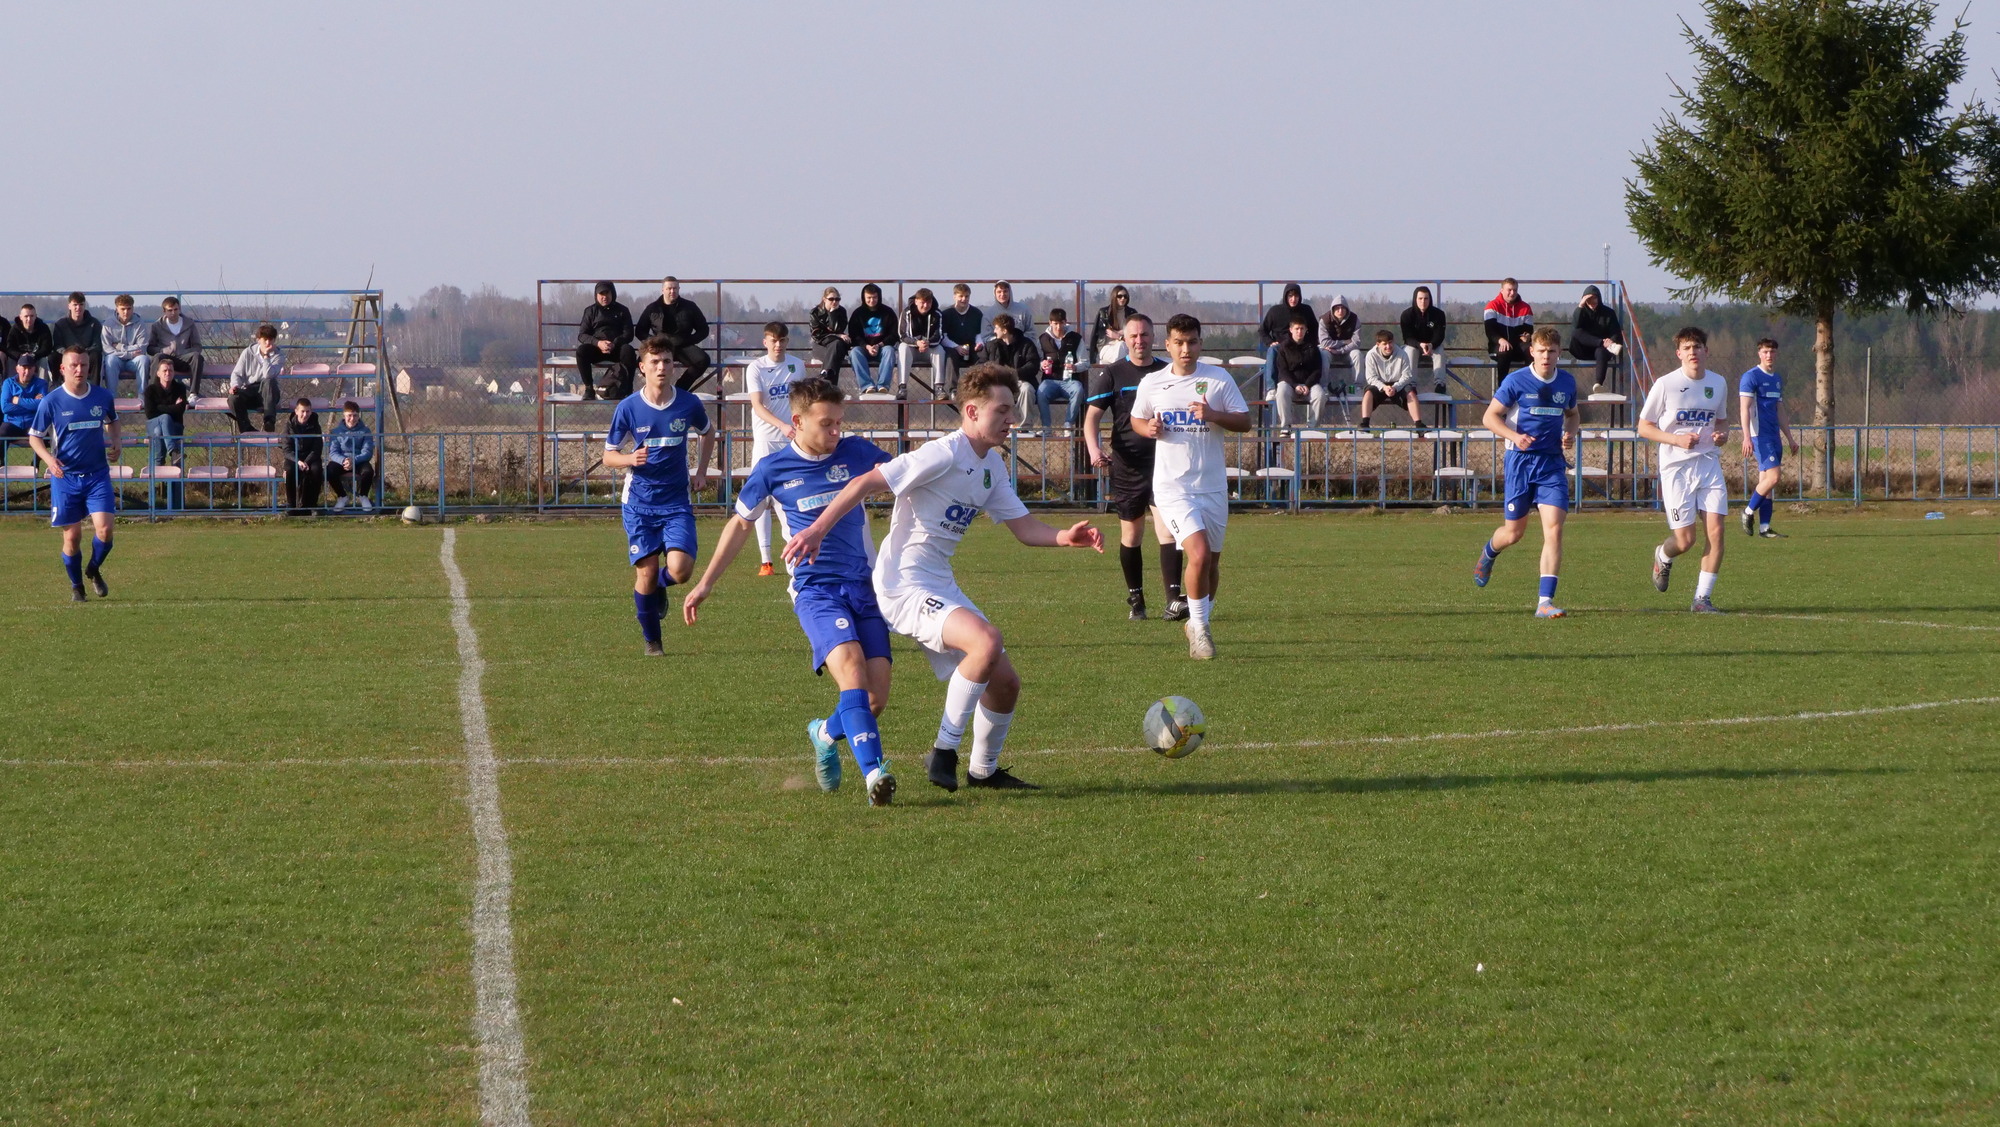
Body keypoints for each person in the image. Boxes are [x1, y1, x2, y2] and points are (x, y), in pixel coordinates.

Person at [783, 363, 1105, 793]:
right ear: (971, 412)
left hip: (938, 581)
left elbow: (1025, 528)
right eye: (1002, 411)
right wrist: (816, 529)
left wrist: (1065, 536)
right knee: (985, 641)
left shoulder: (991, 465)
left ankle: (983, 771)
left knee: (1005, 683)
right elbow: (864, 483)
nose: (1012, 420)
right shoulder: (942, 453)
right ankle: (944, 751)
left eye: (1013, 411)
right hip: (903, 584)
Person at [682, 378, 900, 805]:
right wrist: (706, 582)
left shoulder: (854, 452)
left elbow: (906, 475)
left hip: (864, 586)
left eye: (840, 422)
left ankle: (823, 733)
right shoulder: (773, 469)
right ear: (797, 422)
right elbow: (741, 524)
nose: (836, 432)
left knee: (873, 700)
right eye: (827, 424)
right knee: (851, 671)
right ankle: (875, 775)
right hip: (816, 590)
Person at [1129, 314, 1253, 660]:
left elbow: (1245, 421)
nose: (1186, 349)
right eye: (1179, 343)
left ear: (1201, 343)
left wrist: (1214, 415)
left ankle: (1198, 621)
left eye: (1192, 342)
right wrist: (1147, 429)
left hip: (1212, 487)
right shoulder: (1153, 383)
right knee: (1196, 553)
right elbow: (1137, 418)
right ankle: (1200, 630)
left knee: (1211, 565)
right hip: (1173, 488)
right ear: (1167, 345)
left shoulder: (1218, 379)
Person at [603, 336, 717, 655]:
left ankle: (659, 589)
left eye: (667, 361)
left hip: (676, 502)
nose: (661, 367)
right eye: (654, 362)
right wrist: (629, 459)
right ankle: (653, 641)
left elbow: (709, 433)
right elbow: (609, 455)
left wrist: (702, 471)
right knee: (647, 570)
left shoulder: (687, 403)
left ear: (673, 366)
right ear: (642, 368)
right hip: (639, 504)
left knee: (681, 570)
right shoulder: (629, 408)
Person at [1473, 326, 1580, 617]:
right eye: (1541, 351)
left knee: (1554, 530)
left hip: (1551, 464)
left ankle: (1544, 602)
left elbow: (1573, 414)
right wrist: (1513, 435)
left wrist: (1570, 434)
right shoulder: (1516, 381)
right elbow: (1489, 417)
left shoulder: (1567, 383)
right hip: (1519, 463)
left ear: (1559, 354)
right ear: (1532, 351)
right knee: (1513, 533)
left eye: (1552, 351)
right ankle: (1489, 552)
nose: (1547, 356)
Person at [1085, 313, 1185, 622]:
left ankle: (1173, 599)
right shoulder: (1114, 374)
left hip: (1164, 464)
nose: (1139, 341)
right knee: (1132, 535)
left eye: (1144, 335)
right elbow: (1091, 419)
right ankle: (1137, 601)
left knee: (1168, 531)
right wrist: (1094, 449)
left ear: (1153, 338)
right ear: (1125, 339)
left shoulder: (1166, 372)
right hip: (1127, 465)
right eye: (1134, 336)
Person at [1638, 326, 1732, 613]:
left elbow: (1723, 422)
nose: (1693, 352)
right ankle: (1663, 556)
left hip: (1708, 464)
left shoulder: (1718, 383)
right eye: (1687, 348)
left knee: (1716, 533)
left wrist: (1722, 436)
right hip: (1676, 468)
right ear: (1679, 353)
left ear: (1706, 351)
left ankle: (1701, 600)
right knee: (1685, 540)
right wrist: (1676, 439)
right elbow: (1644, 427)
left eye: (1698, 347)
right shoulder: (1665, 385)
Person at [27, 348, 120, 601]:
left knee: (105, 530)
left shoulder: (102, 396)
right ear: (63, 368)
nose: (80, 370)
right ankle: (77, 586)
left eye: (84, 365)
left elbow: (112, 420)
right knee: (73, 536)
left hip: (97, 475)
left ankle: (93, 569)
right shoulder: (52, 401)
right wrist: (48, 459)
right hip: (65, 477)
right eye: (74, 365)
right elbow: (35, 437)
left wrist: (116, 441)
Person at [744, 321, 808, 574]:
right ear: (765, 342)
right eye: (773, 340)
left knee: (790, 498)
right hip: (766, 441)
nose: (777, 345)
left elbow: (802, 401)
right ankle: (766, 560)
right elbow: (757, 406)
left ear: (787, 342)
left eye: (782, 340)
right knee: (761, 499)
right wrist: (781, 425)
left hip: (791, 442)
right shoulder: (756, 368)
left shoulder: (797, 365)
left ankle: (795, 553)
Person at [1738, 337, 1797, 539]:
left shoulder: (1776, 378)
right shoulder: (1751, 377)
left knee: (1767, 483)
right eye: (1765, 352)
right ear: (1759, 354)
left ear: (1776, 354)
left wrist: (1789, 437)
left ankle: (1765, 528)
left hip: (1774, 435)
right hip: (1759, 435)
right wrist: (1746, 437)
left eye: (1772, 352)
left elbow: (1779, 408)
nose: (1769, 355)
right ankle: (1747, 512)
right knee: (1774, 477)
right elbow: (1744, 408)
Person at [633, 277, 712, 390]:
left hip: (682, 345)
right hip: (660, 346)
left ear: (679, 289)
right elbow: (640, 331)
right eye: (669, 288)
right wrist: (654, 342)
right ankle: (657, 387)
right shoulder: (652, 308)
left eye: (675, 288)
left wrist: (687, 340)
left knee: (703, 360)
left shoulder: (690, 307)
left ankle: (679, 390)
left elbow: (704, 330)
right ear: (663, 290)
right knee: (641, 361)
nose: (672, 291)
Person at [575, 280, 636, 401]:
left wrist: (615, 343)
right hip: (597, 349)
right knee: (581, 351)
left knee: (628, 350)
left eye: (607, 293)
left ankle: (628, 389)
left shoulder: (623, 310)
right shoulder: (590, 311)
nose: (604, 297)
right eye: (601, 294)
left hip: (617, 348)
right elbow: (582, 335)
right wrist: (598, 343)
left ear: (612, 294)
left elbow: (629, 334)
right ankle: (589, 389)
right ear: (596, 295)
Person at [1270, 309, 1329, 431]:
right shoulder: (1283, 348)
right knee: (1281, 391)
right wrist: (1295, 385)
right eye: (1297, 329)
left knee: (1320, 395)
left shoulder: (1313, 347)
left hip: (1310, 385)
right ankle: (1286, 426)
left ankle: (1312, 428)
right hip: (1290, 384)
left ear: (1306, 329)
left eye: (1302, 328)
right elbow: (1283, 371)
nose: (1299, 332)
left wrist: (1307, 385)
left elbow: (1317, 370)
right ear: (1291, 330)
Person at [141, 358, 188, 509]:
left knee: (158, 431)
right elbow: (150, 413)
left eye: (171, 370)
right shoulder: (150, 390)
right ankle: (173, 451)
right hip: (154, 423)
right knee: (162, 421)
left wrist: (161, 408)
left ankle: (173, 504)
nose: (168, 373)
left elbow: (181, 410)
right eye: (165, 370)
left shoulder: (180, 388)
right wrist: (171, 408)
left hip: (174, 428)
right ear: (158, 373)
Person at [977, 314, 1040, 427]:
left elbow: (1033, 364)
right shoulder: (991, 345)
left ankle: (1024, 426)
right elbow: (981, 364)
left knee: (1027, 389)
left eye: (996, 328)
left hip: (1020, 380)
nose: (994, 331)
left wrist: (1015, 373)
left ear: (1004, 330)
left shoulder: (1026, 344)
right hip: (998, 383)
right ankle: (995, 425)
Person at [1358, 329, 1424, 432]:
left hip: (1398, 384)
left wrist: (1395, 387)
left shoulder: (1402, 354)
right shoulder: (1371, 355)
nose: (1388, 346)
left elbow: (1407, 376)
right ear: (1378, 344)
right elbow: (1371, 378)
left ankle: (1419, 425)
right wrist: (1384, 387)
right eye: (1385, 344)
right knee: (1368, 393)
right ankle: (1365, 424)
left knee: (1410, 393)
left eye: (1390, 343)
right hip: (1379, 384)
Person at [1035, 308, 1086, 433]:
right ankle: (1046, 428)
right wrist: (1042, 364)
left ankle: (1068, 425)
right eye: (1055, 323)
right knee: (1040, 392)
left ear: (1065, 322)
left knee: (1078, 389)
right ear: (1050, 323)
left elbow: (1085, 362)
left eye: (1061, 323)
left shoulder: (1076, 338)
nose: (1058, 327)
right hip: (1050, 381)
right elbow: (1036, 361)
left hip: (1070, 380)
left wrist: (1075, 367)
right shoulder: (1042, 339)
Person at [227, 322, 284, 432]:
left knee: (269, 382)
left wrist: (266, 356)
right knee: (233, 398)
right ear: (258, 340)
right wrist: (235, 386)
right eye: (265, 340)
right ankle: (246, 428)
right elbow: (237, 373)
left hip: (269, 394)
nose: (268, 343)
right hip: (250, 390)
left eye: (271, 340)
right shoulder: (248, 352)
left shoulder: (279, 356)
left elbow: (268, 375)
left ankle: (269, 422)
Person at [1258, 283, 1315, 392]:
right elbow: (1262, 330)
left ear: (1300, 297)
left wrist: (1310, 343)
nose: (1293, 299)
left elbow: (1314, 330)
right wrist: (1270, 342)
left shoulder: (1306, 310)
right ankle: (1271, 389)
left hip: (1302, 346)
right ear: (1285, 296)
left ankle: (1318, 386)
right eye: (1290, 296)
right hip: (1281, 346)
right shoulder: (1275, 311)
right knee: (1272, 350)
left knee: (1319, 353)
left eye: (1296, 296)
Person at [1569, 285, 1625, 394]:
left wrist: (1611, 341)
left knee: (1601, 351)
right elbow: (1575, 326)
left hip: (1601, 351)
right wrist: (1580, 305)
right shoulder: (1581, 312)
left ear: (1599, 298)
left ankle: (1598, 384)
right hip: (1583, 350)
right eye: (1588, 299)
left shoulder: (1608, 313)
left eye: (1594, 298)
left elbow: (1615, 332)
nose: (1592, 302)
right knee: (1576, 332)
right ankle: (1603, 343)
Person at [845, 284, 899, 392]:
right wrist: (866, 346)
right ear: (864, 298)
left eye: (874, 297)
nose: (872, 300)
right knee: (854, 353)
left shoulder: (888, 312)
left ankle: (883, 385)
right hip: (864, 349)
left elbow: (894, 335)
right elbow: (854, 335)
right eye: (869, 298)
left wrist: (879, 345)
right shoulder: (857, 314)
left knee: (889, 351)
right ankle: (867, 386)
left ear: (879, 297)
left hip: (882, 348)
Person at [146, 296, 205, 395]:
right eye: (170, 310)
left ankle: (193, 393)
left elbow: (198, 346)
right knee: (157, 357)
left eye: (176, 309)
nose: (173, 313)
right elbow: (150, 348)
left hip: (184, 359)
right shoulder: (157, 326)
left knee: (197, 357)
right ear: (164, 311)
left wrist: (185, 352)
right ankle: (155, 392)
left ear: (179, 309)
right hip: (166, 359)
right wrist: (163, 350)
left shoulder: (189, 324)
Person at [326, 399, 376, 512]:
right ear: (344, 415)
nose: (352, 419)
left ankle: (363, 496)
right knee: (330, 471)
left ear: (359, 416)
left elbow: (367, 452)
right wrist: (344, 460)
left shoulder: (365, 431)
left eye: (355, 415)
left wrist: (354, 460)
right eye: (349, 415)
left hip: (358, 460)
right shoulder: (336, 432)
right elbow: (333, 452)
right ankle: (342, 496)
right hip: (342, 461)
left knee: (368, 471)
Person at [2, 352, 51, 464]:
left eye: (30, 368)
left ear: (34, 369)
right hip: (13, 423)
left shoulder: (41, 383)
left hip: (32, 423)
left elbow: (43, 405)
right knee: (1, 433)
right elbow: (5, 408)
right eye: (24, 368)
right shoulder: (8, 383)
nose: (27, 372)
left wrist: (18, 400)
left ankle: (34, 466)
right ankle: (1, 465)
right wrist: (33, 403)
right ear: (17, 368)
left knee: (45, 436)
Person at [897, 288, 946, 396]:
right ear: (916, 301)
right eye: (922, 302)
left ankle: (939, 388)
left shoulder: (937, 314)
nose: (925, 305)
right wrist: (916, 343)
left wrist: (927, 343)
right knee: (902, 347)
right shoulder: (907, 312)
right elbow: (902, 335)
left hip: (929, 349)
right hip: (912, 350)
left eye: (928, 302)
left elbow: (939, 335)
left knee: (940, 350)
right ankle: (902, 388)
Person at [1400, 285, 1449, 394]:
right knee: (1410, 351)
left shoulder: (1439, 315)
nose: (1423, 302)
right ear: (1415, 299)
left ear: (1430, 299)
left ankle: (1440, 384)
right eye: (1420, 298)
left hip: (1432, 347)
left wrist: (1432, 345)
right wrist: (1419, 345)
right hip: (1414, 346)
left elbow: (1440, 335)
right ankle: (1411, 385)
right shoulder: (1406, 315)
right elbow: (1407, 338)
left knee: (1440, 350)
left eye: (1426, 298)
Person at [1484, 278, 1534, 383]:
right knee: (1505, 350)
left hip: (1518, 347)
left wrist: (1528, 337)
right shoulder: (1492, 306)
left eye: (1515, 290)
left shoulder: (1526, 308)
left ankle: (1528, 384)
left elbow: (1529, 330)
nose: (1512, 293)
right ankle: (1502, 389)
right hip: (1498, 347)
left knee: (1531, 350)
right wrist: (1501, 340)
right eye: (1509, 290)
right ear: (1502, 290)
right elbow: (1490, 331)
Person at [281, 398, 324, 513]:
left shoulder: (315, 426)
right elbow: (286, 449)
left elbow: (317, 447)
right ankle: (292, 505)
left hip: (311, 457)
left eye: (308, 411)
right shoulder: (288, 426)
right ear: (296, 411)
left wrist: (307, 461)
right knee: (290, 469)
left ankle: (311, 505)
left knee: (316, 470)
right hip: (294, 458)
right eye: (302, 411)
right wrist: (298, 461)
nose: (305, 415)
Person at [101, 295, 150, 396]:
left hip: (133, 361)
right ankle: (111, 397)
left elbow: (142, 348)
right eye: (123, 309)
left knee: (143, 359)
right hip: (116, 360)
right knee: (110, 360)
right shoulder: (108, 324)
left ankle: (142, 397)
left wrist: (119, 347)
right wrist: (130, 353)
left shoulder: (140, 324)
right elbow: (107, 349)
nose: (126, 312)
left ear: (133, 308)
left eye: (129, 308)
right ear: (117, 308)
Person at [50, 293, 103, 386]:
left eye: (81, 304)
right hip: (67, 355)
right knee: (53, 356)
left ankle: (95, 389)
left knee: (97, 355)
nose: (78, 308)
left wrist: (83, 353)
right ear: (69, 306)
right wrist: (69, 353)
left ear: (84, 306)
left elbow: (97, 345)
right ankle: (56, 387)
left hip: (87, 355)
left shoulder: (94, 323)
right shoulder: (60, 324)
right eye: (75, 305)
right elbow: (57, 345)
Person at [939, 284, 982, 395]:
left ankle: (977, 387)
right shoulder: (946, 314)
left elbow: (979, 334)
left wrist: (979, 344)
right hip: (953, 348)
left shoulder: (976, 313)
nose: (964, 299)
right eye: (961, 296)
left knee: (982, 355)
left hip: (971, 347)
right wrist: (956, 347)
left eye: (966, 296)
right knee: (950, 356)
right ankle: (953, 390)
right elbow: (943, 337)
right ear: (955, 296)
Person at [1317, 294, 1362, 392]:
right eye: (1337, 308)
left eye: (1343, 308)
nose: (1340, 311)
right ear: (1332, 309)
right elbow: (1324, 342)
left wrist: (1340, 351)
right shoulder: (1324, 320)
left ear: (1347, 309)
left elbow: (1356, 342)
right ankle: (1324, 386)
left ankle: (1357, 387)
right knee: (1323, 354)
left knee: (1357, 354)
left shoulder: (1355, 319)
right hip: (1329, 352)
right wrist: (1344, 342)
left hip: (1347, 352)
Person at [808, 287, 851, 387]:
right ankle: (831, 387)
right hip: (820, 345)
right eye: (831, 299)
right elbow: (817, 335)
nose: (834, 302)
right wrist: (836, 335)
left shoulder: (841, 311)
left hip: (837, 346)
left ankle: (825, 378)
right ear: (824, 299)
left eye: (837, 299)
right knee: (835, 356)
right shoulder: (815, 312)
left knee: (836, 345)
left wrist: (833, 314)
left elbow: (838, 328)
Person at [1090, 285, 1138, 364]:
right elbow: (1094, 334)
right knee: (1121, 354)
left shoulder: (1132, 313)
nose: (1123, 298)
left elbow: (1136, 334)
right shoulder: (1103, 312)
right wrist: (1092, 358)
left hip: (1125, 346)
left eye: (1125, 296)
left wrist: (1118, 336)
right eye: (1120, 296)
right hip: (1106, 346)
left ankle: (1115, 373)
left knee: (1121, 346)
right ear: (1114, 297)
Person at [5, 303, 54, 377]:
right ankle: (12, 385)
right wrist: (20, 355)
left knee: (44, 361)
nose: (29, 319)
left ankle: (41, 386)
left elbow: (47, 348)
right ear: (20, 317)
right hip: (19, 359)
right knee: (10, 360)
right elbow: (9, 348)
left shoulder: (43, 328)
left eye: (32, 316)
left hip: (36, 358)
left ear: (36, 316)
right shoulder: (15, 330)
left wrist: (33, 355)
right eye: (26, 316)